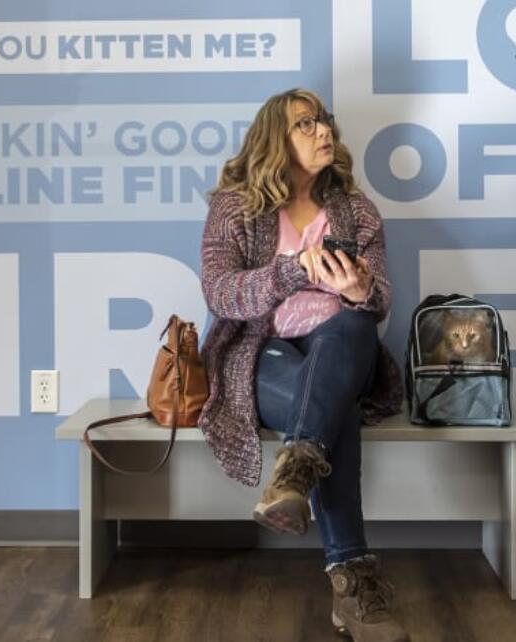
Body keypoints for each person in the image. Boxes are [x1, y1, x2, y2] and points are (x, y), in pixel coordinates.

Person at [198, 87, 409, 642]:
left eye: (325, 122)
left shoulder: (355, 208)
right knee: (330, 410)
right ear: (276, 138)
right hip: (261, 355)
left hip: (342, 345)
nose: (324, 133)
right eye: (306, 124)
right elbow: (220, 293)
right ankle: (354, 587)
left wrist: (361, 290)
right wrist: (293, 271)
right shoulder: (235, 206)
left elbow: (382, 296)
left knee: (351, 324)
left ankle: (293, 472)